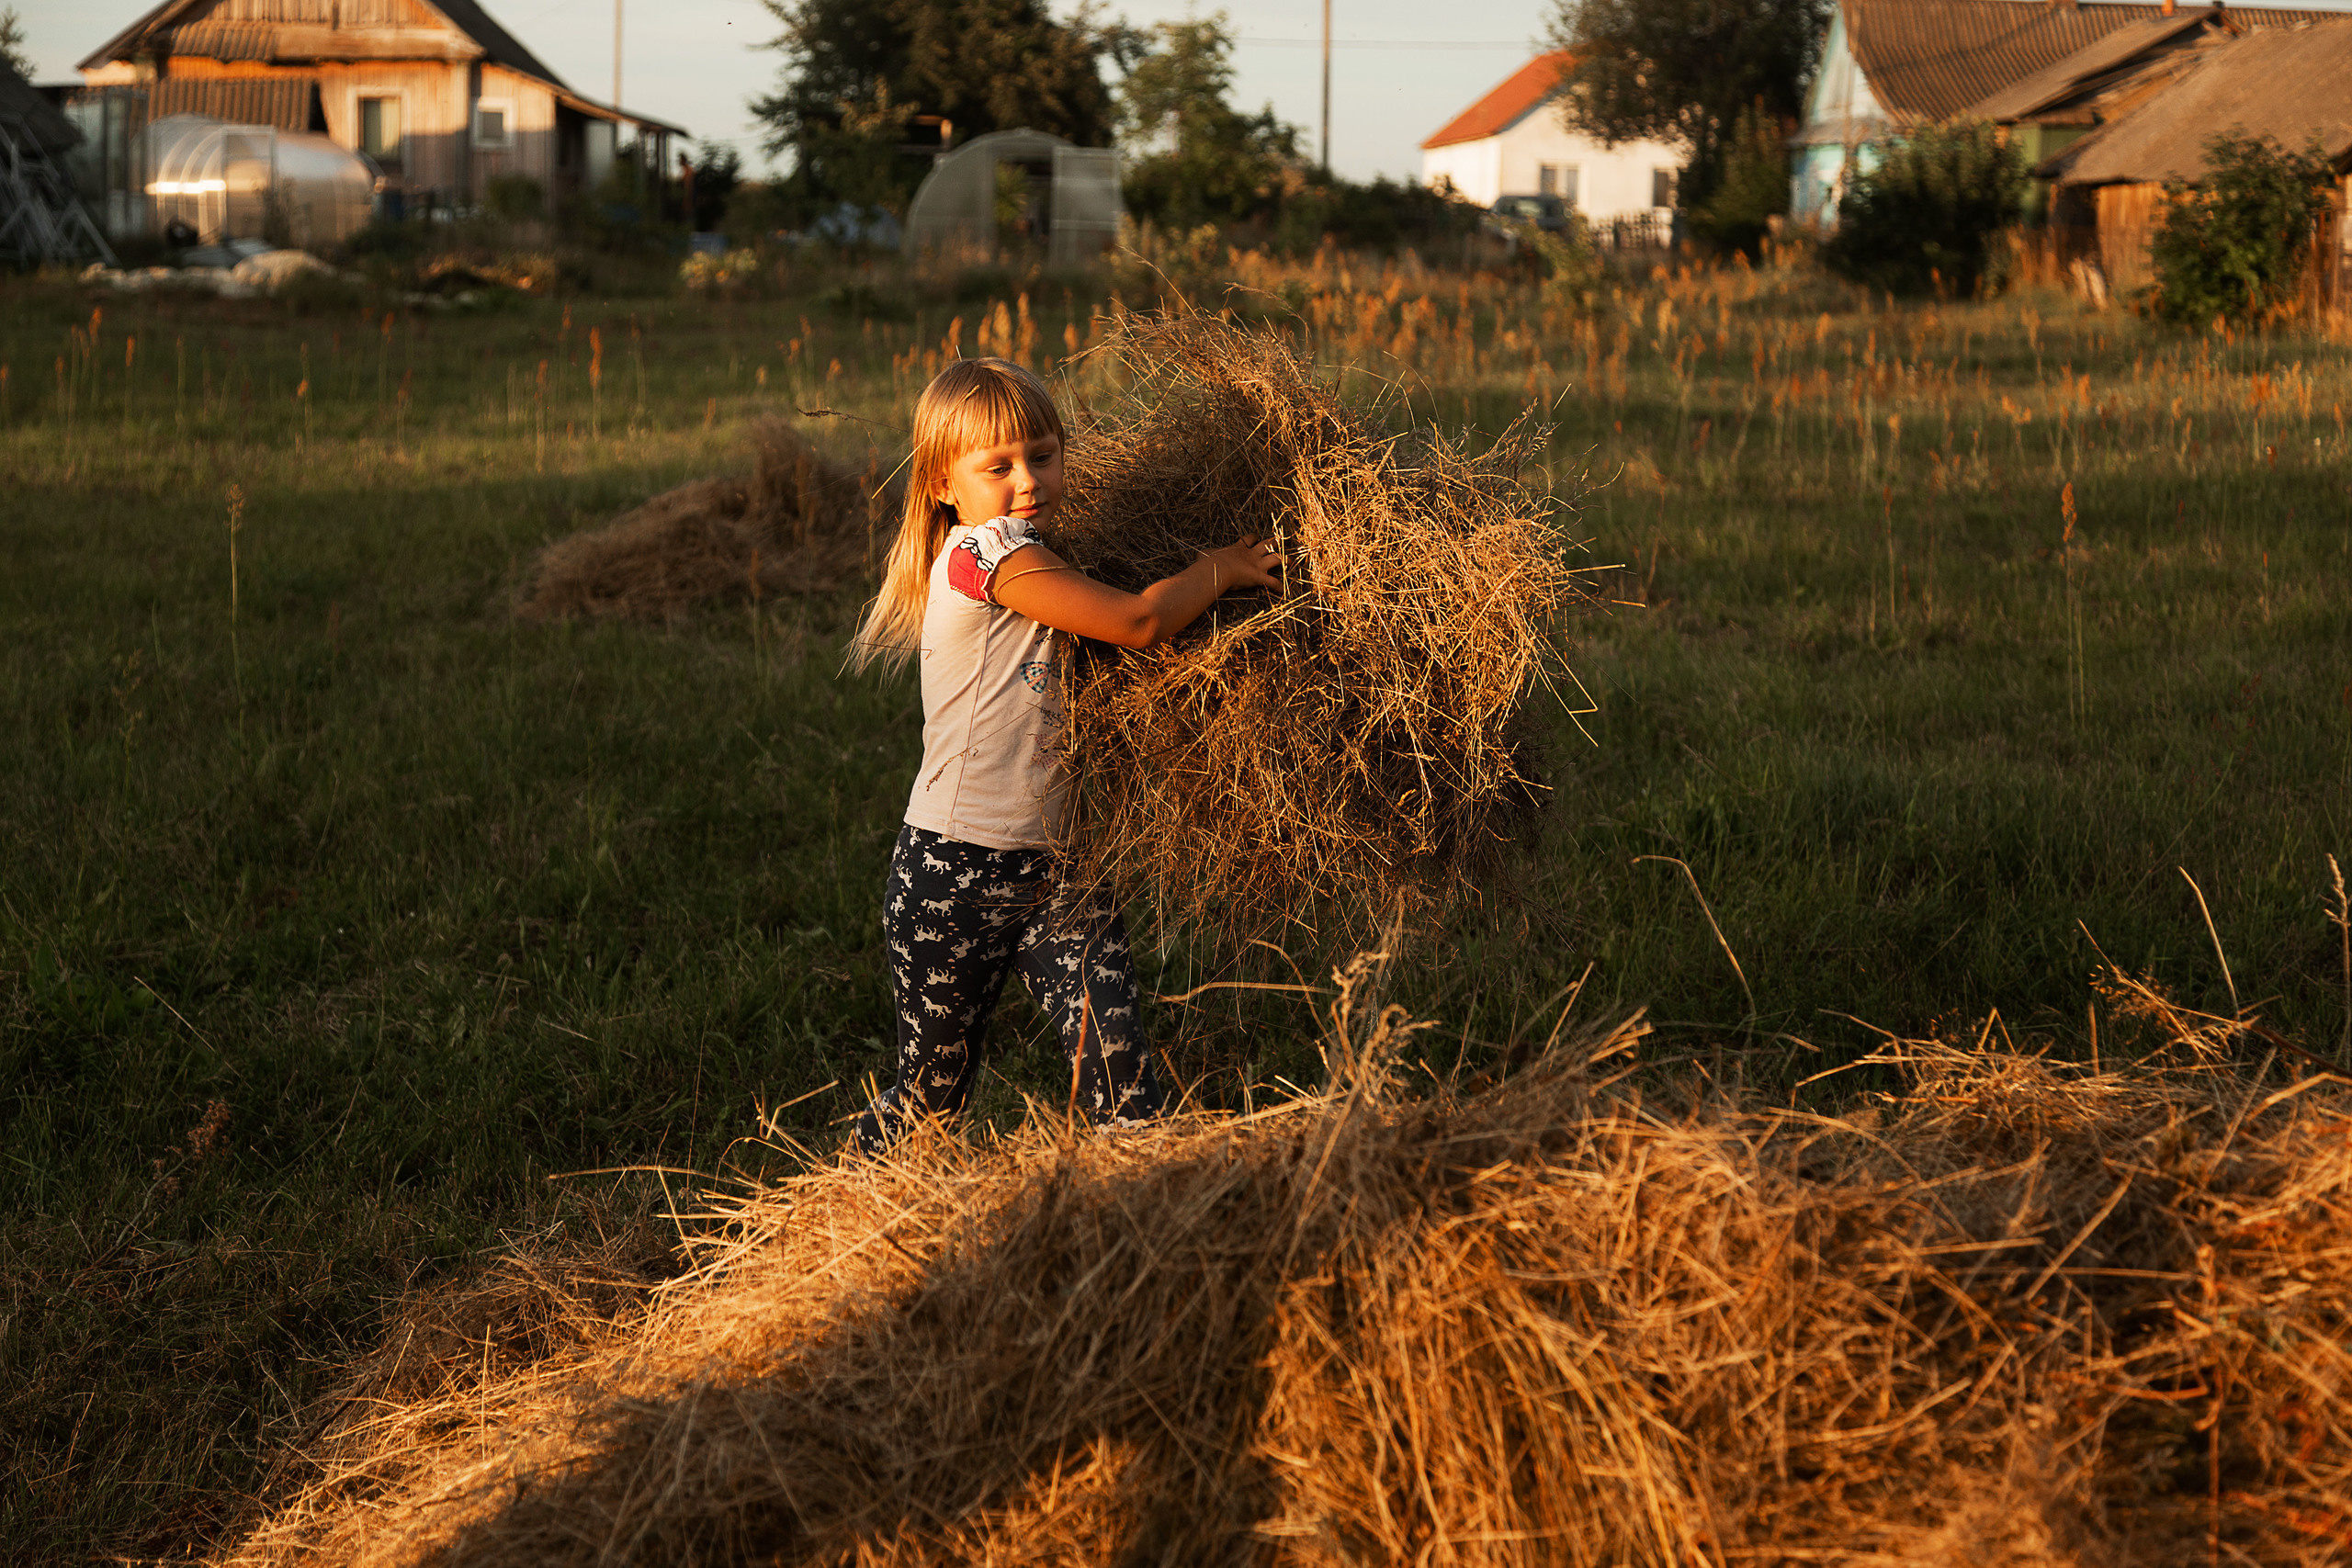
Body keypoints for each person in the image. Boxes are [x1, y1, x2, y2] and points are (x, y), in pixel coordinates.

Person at [846, 356, 1283, 1153]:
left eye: (1043, 455)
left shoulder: (1038, 551)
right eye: (999, 466)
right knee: (931, 1108)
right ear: (945, 483)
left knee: (1123, 1080)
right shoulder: (985, 556)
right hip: (956, 872)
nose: (1028, 481)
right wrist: (1217, 568)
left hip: (1062, 868)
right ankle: (841, 1207)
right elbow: (1138, 622)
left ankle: (1135, 1222)